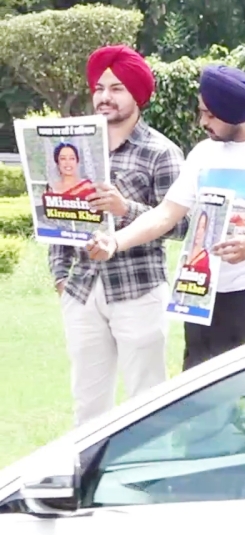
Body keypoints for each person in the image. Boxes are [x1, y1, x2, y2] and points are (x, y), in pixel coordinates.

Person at [87, 64, 245, 369]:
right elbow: (166, 213)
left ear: (234, 111)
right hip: (201, 294)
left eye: (209, 113)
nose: (202, 121)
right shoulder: (203, 153)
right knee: (200, 404)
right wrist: (115, 242)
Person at [51, 45, 187, 427]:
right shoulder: (76, 148)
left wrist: (125, 208)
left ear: (137, 95)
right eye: (99, 88)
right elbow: (55, 215)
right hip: (81, 290)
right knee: (87, 406)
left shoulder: (161, 152)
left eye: (117, 88)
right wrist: (60, 276)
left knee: (146, 400)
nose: (105, 97)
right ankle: (91, 482)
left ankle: (149, 482)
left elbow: (181, 225)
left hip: (138, 290)